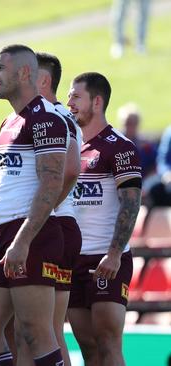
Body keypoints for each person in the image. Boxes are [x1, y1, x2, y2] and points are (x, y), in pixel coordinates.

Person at [0, 44, 68, 366]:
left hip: (30, 233)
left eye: (0, 68)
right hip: (1, 232)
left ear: (24, 72)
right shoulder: (8, 122)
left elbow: (53, 181)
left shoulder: (47, 118)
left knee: (34, 331)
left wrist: (23, 240)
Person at [66, 72, 142, 366]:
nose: (69, 102)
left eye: (76, 96)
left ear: (97, 102)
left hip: (107, 260)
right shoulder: (72, 148)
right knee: (87, 347)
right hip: (75, 261)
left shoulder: (120, 147)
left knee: (109, 343)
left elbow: (130, 205)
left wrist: (113, 254)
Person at [12, 51, 82, 366]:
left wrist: (45, 210)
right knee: (30, 330)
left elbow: (68, 172)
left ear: (42, 79)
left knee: (43, 331)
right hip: (54, 224)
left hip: (52, 224)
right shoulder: (41, 116)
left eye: (27, 76)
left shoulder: (52, 117)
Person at [116, 103, 157, 177]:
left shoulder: (146, 146)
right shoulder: (114, 144)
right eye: (127, 123)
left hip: (143, 182)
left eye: (134, 123)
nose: (130, 127)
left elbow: (155, 166)